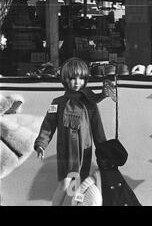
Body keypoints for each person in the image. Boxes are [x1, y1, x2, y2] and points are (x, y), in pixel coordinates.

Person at [34, 57, 107, 206]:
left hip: (84, 152)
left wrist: (105, 153)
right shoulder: (58, 103)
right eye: (73, 78)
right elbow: (48, 125)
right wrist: (41, 144)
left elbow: (98, 130)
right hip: (66, 152)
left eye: (81, 78)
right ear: (65, 79)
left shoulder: (90, 104)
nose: (77, 82)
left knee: (76, 186)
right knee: (65, 184)